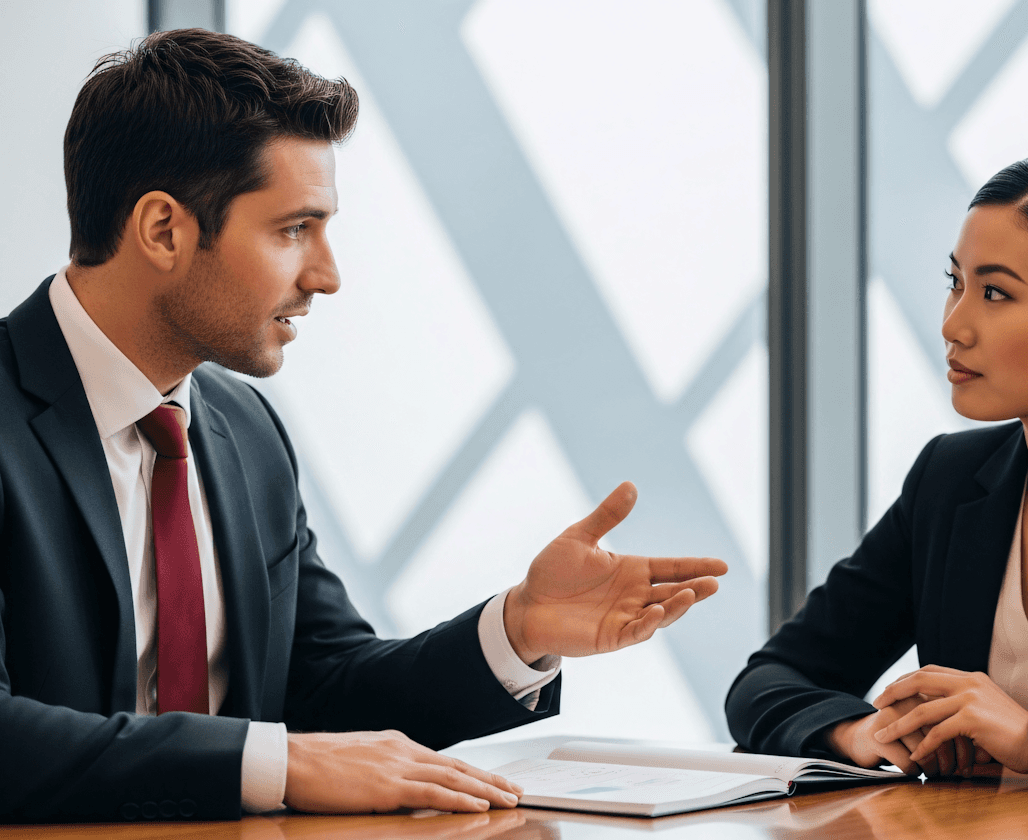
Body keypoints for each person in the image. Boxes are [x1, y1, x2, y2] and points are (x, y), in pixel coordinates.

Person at [0, 29, 727, 823]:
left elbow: (326, 691)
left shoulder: (243, 433)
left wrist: (517, 629)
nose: (327, 276)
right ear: (165, 230)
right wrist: (273, 761)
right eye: (292, 230)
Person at [727, 149, 1028, 790]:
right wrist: (862, 732)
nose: (954, 324)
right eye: (956, 283)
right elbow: (770, 679)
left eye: (996, 293)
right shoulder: (950, 480)